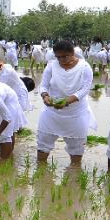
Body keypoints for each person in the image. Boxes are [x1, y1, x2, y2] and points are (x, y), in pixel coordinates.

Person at [35, 39, 94, 168]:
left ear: (72, 53)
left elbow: (84, 90)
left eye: (64, 56)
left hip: (76, 112)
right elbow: (43, 85)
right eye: (58, 57)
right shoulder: (51, 65)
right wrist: (45, 96)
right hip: (52, 112)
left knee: (76, 145)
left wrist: (66, 101)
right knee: (43, 142)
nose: (61, 60)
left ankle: (74, 172)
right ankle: (41, 171)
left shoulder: (84, 67)